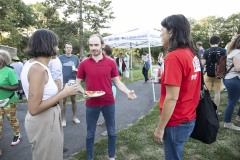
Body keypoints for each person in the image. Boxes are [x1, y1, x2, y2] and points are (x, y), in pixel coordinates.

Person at [76, 34, 137, 160]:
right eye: (91, 45)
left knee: (112, 132)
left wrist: (127, 92)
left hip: (108, 102)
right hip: (91, 103)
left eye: (96, 45)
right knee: (90, 134)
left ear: (102, 46)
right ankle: (90, 157)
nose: (93, 48)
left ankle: (111, 156)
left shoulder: (110, 62)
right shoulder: (83, 63)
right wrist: (84, 93)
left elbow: (117, 82)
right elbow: (77, 84)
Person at [21, 29, 78, 160]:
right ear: (48, 45)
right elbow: (34, 109)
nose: (58, 48)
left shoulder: (34, 64)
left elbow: (43, 92)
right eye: (56, 44)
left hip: (48, 119)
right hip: (44, 121)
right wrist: (64, 93)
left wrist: (58, 88)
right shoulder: (38, 69)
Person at [153, 14, 201, 160]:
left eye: (162, 30)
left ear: (171, 32)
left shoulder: (174, 56)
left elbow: (172, 98)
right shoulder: (191, 52)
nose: (161, 33)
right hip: (189, 116)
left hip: (176, 121)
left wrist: (160, 128)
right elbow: (189, 82)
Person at [0, 50, 22, 156]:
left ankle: (17, 134)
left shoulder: (9, 71)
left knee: (12, 119)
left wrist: (2, 87)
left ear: (2, 60)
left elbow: (16, 87)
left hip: (9, 101)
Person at [201, 36, 227, 115]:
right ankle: (215, 111)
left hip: (208, 74)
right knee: (217, 93)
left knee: (206, 93)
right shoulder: (223, 50)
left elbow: (203, 63)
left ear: (210, 42)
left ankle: (207, 110)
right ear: (219, 42)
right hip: (218, 75)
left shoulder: (206, 51)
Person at [59, 42, 80, 127]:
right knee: (63, 101)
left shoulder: (75, 58)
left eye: (70, 47)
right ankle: (63, 119)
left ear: (72, 49)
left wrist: (76, 70)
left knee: (73, 100)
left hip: (73, 82)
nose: (69, 49)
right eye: (67, 47)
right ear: (64, 49)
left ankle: (74, 117)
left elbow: (79, 68)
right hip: (64, 82)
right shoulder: (60, 58)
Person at [222, 34, 240, 130]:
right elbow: (238, 68)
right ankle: (227, 122)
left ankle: (238, 117)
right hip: (234, 79)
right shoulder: (237, 53)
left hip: (230, 78)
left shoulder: (232, 51)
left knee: (233, 100)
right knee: (233, 101)